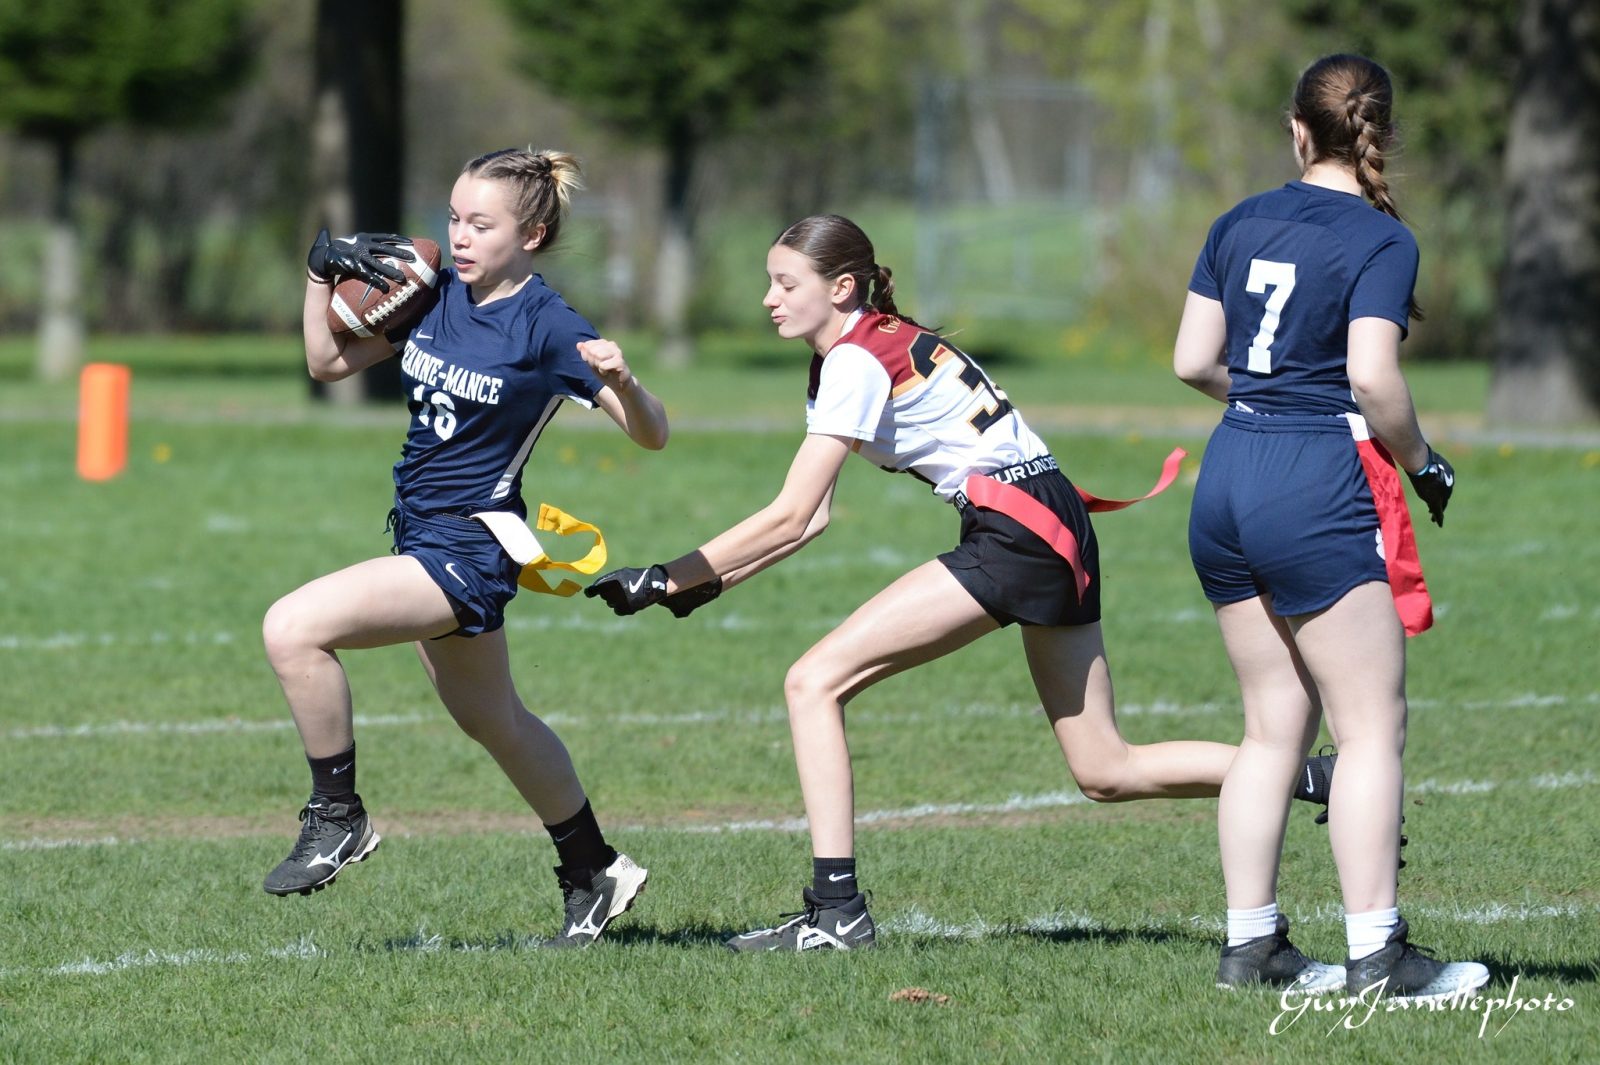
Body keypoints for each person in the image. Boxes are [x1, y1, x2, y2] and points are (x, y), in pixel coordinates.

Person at [585, 213, 1335, 957]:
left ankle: (836, 912)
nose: (768, 299)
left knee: (812, 682)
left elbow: (788, 514)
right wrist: (697, 587)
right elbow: (809, 523)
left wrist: (668, 574)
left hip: (1017, 530)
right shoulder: (870, 344)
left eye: (786, 282)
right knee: (1106, 768)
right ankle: (1313, 775)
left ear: (841, 287)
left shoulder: (852, 360)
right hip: (1054, 517)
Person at [261, 147, 668, 948]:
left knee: (292, 627)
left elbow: (652, 435)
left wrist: (624, 380)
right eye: (454, 216)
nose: (461, 234)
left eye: (482, 223)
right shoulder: (433, 292)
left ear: (535, 232)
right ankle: (594, 869)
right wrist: (319, 278)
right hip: (418, 529)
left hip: (470, 548)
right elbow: (326, 363)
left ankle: (337, 816)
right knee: (494, 719)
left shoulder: (548, 324)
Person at [1172, 54, 1489, 1000]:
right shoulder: (1383, 238)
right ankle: (1379, 957)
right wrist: (1423, 460)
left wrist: (1266, 403)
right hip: (1313, 479)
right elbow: (1373, 378)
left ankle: (1252, 945)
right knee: (1369, 729)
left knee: (1272, 728)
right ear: (1378, 134)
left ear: (1296, 129)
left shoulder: (1237, 220)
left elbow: (1194, 359)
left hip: (1226, 472)